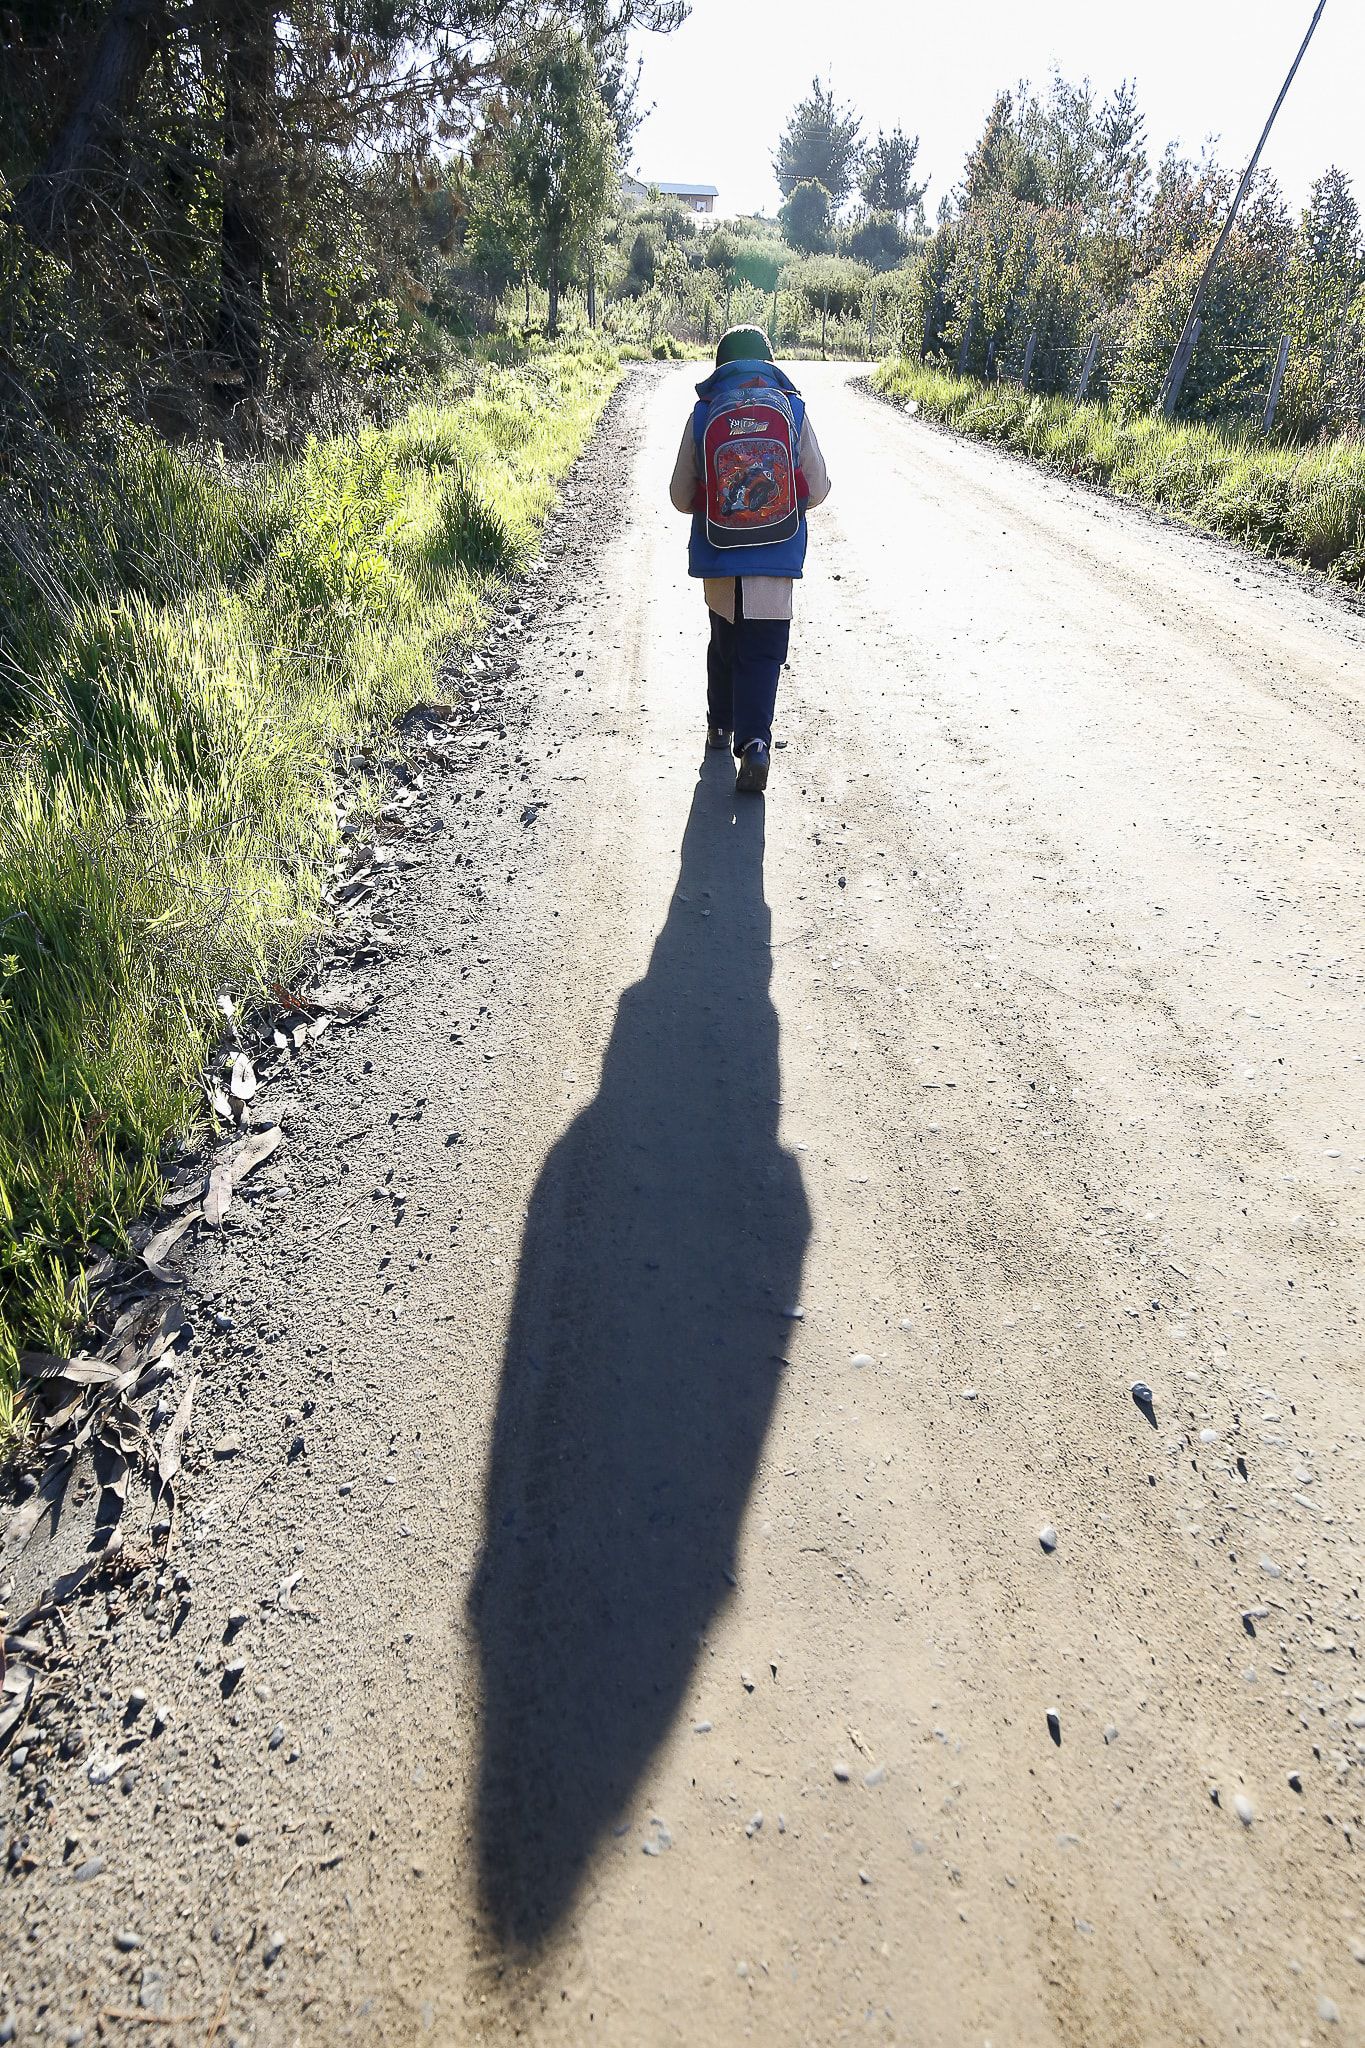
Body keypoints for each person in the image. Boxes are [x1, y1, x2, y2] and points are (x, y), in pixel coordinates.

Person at [669, 326, 831, 793]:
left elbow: (681, 497)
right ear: (768, 363)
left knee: (724, 644)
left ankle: (719, 728)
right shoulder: (792, 410)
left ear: (720, 367)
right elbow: (817, 489)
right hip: (776, 560)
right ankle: (756, 744)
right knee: (762, 653)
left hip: (720, 558)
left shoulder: (703, 414)